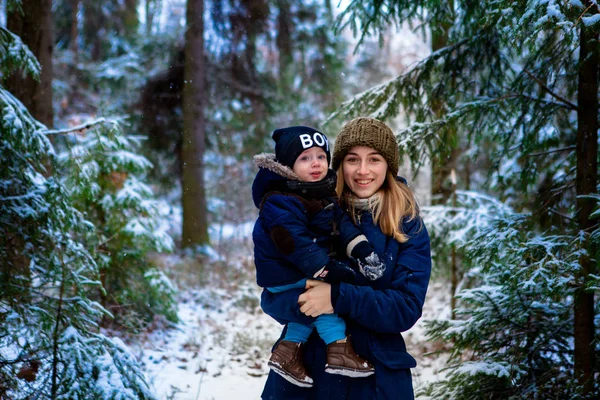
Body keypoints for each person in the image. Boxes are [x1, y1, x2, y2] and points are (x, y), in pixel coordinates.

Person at [260, 117, 432, 400]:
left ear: (388, 165)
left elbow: (406, 307)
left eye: (374, 159)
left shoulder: (407, 224)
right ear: (339, 164)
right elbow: (271, 296)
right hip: (305, 378)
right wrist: (303, 301)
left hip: (376, 380)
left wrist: (337, 297)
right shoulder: (304, 212)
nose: (363, 171)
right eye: (353, 159)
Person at [252, 126, 387, 388]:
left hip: (298, 269)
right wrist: (325, 270)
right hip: (285, 270)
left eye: (321, 157)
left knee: (308, 308)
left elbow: (341, 224)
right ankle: (339, 351)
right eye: (305, 158)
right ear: (288, 165)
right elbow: (293, 243)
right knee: (323, 303)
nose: (316, 163)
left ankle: (287, 352)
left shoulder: (318, 192)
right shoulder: (281, 199)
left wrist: (361, 249)